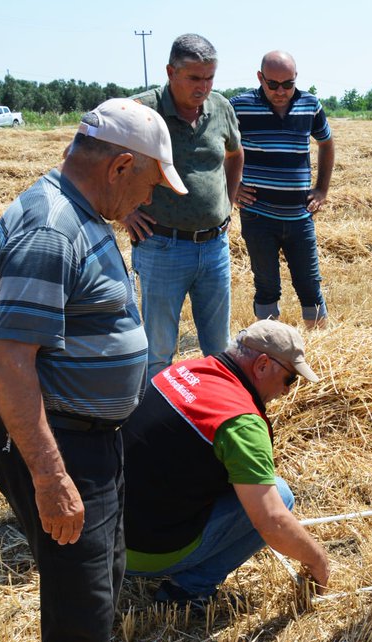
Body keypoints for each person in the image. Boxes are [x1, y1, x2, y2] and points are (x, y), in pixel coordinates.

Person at [0, 99, 184, 642]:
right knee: (80, 600)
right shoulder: (50, 229)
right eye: (151, 182)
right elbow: (10, 362)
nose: (151, 196)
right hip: (61, 441)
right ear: (120, 164)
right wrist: (50, 478)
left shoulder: (80, 214)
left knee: (99, 583)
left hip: (90, 435)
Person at [123, 320, 331, 606]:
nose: (286, 391)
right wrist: (318, 561)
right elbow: (272, 521)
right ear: (261, 365)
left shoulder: (182, 371)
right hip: (141, 553)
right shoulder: (240, 421)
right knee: (279, 496)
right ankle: (188, 590)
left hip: (103, 534)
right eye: (289, 379)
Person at [126, 33, 244, 382]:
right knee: (158, 349)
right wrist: (125, 212)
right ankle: (154, 423)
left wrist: (228, 202)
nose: (203, 87)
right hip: (161, 246)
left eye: (210, 78)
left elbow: (236, 155)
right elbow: (93, 160)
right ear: (170, 72)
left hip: (214, 247)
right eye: (194, 78)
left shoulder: (221, 107)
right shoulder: (141, 110)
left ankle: (211, 418)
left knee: (219, 348)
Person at [230, 51, 334, 326]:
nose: (280, 91)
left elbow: (326, 143)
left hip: (300, 216)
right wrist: (232, 186)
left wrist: (322, 189)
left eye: (287, 84)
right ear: (260, 78)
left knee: (310, 284)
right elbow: (215, 147)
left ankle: (321, 342)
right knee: (266, 284)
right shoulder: (240, 107)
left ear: (296, 78)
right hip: (257, 216)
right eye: (272, 84)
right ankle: (269, 344)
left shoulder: (310, 104)